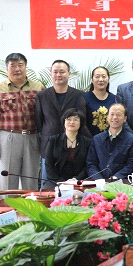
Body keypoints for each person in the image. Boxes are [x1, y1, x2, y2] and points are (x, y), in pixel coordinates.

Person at [0, 53, 44, 190]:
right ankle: (7, 205)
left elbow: (47, 116)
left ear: (26, 67)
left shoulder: (38, 87)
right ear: (7, 68)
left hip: (33, 138)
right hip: (9, 138)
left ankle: (30, 205)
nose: (17, 69)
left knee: (31, 182)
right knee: (8, 182)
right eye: (13, 66)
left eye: (20, 65)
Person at [35, 60, 91, 188]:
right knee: (49, 187)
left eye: (62, 72)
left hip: (74, 148)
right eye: (55, 72)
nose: (58, 75)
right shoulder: (42, 96)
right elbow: (39, 122)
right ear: (51, 74)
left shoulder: (79, 95)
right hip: (49, 148)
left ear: (69, 74)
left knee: (74, 187)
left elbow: (83, 120)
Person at [86, 103, 133, 180]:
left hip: (121, 182)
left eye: (118, 115)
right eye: (112, 114)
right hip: (98, 182)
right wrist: (99, 179)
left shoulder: (132, 140)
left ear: (125, 118)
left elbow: (130, 165)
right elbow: (91, 164)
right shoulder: (96, 139)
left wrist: (115, 178)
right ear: (107, 117)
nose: (115, 117)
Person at [44, 108, 92, 188]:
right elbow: (49, 165)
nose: (72, 122)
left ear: (81, 123)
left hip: (79, 181)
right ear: (64, 122)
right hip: (56, 181)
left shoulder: (87, 142)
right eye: (69, 119)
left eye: (75, 120)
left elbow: (88, 165)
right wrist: (61, 182)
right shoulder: (53, 140)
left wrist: (75, 179)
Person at [83, 66, 116, 135]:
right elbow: (82, 123)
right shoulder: (84, 98)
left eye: (103, 77)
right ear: (92, 80)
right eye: (97, 77)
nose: (101, 80)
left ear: (108, 79)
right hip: (89, 139)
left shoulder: (115, 99)